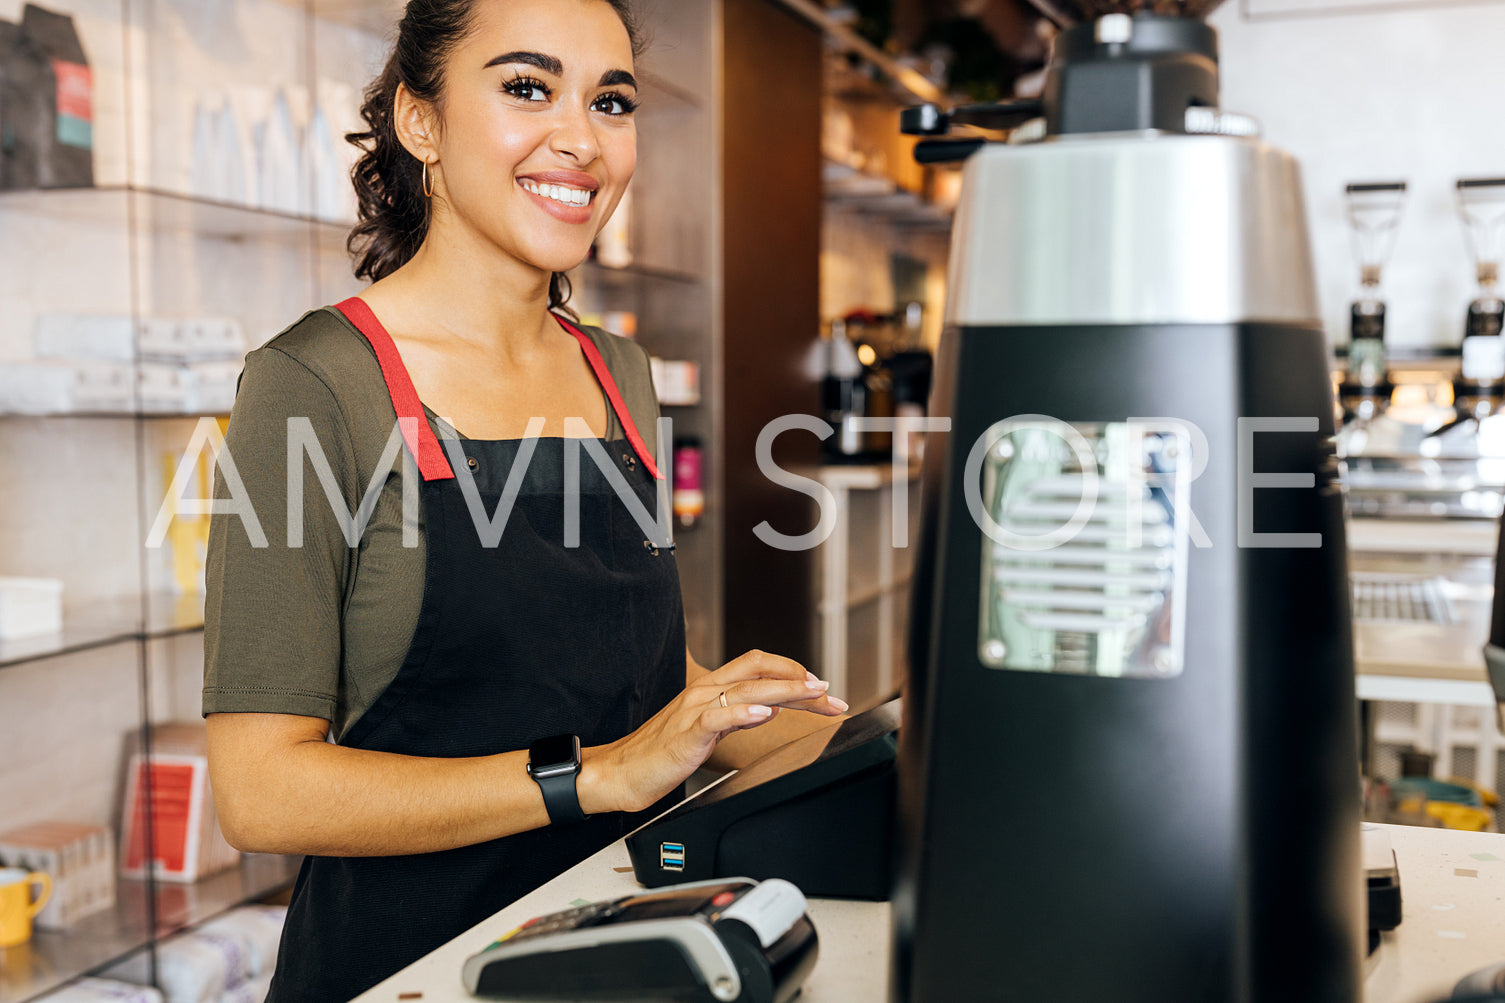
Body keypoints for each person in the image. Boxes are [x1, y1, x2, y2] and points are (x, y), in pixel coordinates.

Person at [200, 1, 847, 1000]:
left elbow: (634, 674)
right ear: (421, 122)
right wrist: (591, 776)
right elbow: (260, 788)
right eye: (526, 87)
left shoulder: (617, 370)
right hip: (409, 968)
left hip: (624, 942)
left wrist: (863, 744)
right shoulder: (319, 383)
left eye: (611, 100)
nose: (580, 138)